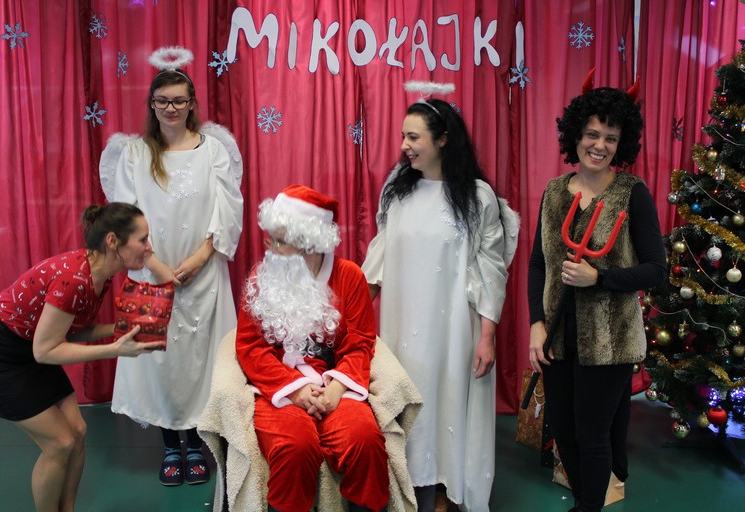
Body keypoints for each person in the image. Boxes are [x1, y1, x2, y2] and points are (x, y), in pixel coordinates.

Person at [362, 98, 518, 512]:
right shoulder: (398, 190)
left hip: (453, 330)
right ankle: (406, 484)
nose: (404, 145)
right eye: (403, 136)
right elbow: (379, 257)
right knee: (407, 401)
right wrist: (351, 312)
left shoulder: (476, 197)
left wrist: (487, 336)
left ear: (443, 140)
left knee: (446, 402)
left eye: (413, 137)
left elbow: (490, 270)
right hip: (402, 324)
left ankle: (446, 489)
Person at [527, 81, 667, 512]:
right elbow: (538, 264)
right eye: (592, 134)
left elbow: (656, 269)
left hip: (611, 342)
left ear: (622, 143)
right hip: (557, 338)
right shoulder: (554, 192)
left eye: (610, 137)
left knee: (592, 435)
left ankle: (588, 507)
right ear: (575, 135)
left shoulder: (632, 193)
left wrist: (599, 278)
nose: (599, 145)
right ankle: (583, 502)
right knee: (564, 432)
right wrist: (536, 324)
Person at [105, 55, 244, 485]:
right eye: (163, 101)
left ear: (191, 104)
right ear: (152, 104)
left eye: (179, 101)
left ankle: (198, 443)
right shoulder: (135, 153)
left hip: (203, 274)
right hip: (152, 272)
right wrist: (156, 264)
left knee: (202, 358)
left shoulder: (213, 150)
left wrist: (202, 256)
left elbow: (228, 206)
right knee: (160, 360)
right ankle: (170, 446)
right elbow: (125, 214)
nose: (171, 108)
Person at [0, 203, 165, 512]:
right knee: (59, 443)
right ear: (113, 241)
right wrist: (115, 349)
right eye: (143, 239)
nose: (149, 248)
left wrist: (123, 327)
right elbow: (45, 350)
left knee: (77, 431)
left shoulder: (100, 275)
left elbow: (73, 333)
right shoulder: (75, 279)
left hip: (30, 345)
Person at [236, 185, 389, 512]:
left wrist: (336, 389)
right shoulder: (263, 277)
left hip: (335, 385)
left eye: (281, 242)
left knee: (365, 441)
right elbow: (250, 346)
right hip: (280, 386)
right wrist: (294, 390)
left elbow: (360, 342)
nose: (271, 249)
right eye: (271, 239)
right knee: (295, 446)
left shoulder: (349, 277)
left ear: (309, 243)